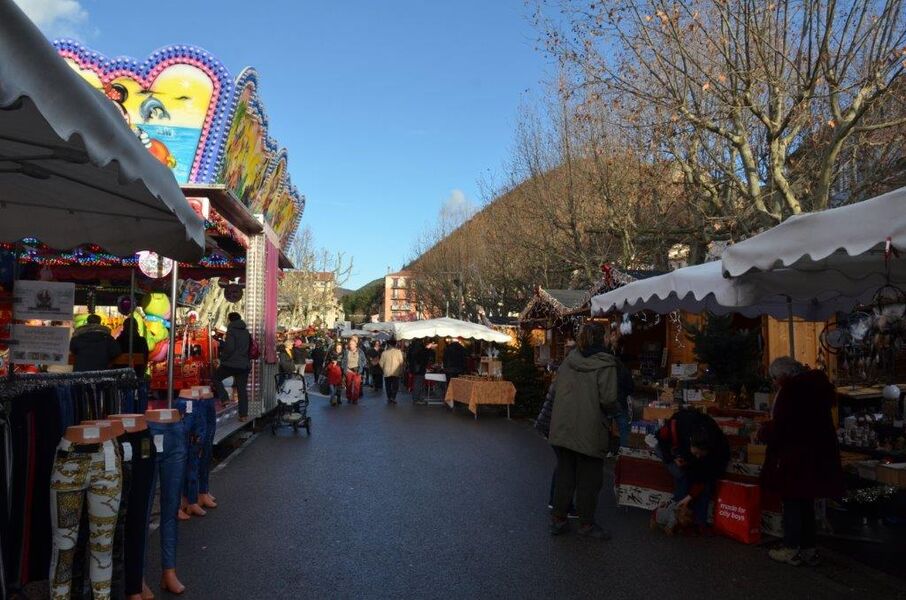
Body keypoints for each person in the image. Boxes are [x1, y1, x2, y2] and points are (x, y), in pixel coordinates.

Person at [759, 357, 843, 567]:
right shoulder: (814, 388)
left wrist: (764, 431)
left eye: (775, 377)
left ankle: (791, 547)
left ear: (783, 375)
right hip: (814, 454)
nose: (774, 381)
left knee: (793, 502)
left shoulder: (792, 392)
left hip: (795, 457)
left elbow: (785, 426)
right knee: (805, 502)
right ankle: (808, 548)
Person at [548, 322, 619, 539]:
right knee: (589, 478)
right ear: (601, 338)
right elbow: (608, 399)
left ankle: (559, 519)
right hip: (589, 429)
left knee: (565, 474)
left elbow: (556, 388)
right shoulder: (606, 364)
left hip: (563, 426)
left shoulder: (569, 361)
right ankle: (586, 524)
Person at [656, 408, 730, 531]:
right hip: (674, 450)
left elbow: (705, 476)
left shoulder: (716, 451)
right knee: (681, 476)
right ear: (691, 442)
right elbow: (661, 438)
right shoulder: (678, 425)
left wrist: (690, 496)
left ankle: (699, 523)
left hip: (711, 461)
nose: (698, 456)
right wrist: (672, 458)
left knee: (705, 485)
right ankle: (677, 515)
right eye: (696, 453)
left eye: (700, 454)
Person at [212, 312, 252, 421]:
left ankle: (224, 398)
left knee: (215, 377)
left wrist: (222, 358)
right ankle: (243, 415)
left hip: (231, 364)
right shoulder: (246, 332)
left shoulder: (231, 331)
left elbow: (229, 348)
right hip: (244, 365)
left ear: (230, 320)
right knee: (241, 390)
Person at [379, 338, 405, 404]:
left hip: (387, 372)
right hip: (396, 372)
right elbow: (401, 362)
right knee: (395, 386)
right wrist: (401, 371)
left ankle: (389, 397)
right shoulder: (398, 352)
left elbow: (381, 363)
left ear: (389, 345)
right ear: (395, 344)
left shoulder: (384, 353)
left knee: (388, 386)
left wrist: (384, 369)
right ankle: (393, 397)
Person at [341, 336, 366, 404]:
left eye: (352, 344)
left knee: (356, 386)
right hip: (349, 371)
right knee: (348, 385)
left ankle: (355, 399)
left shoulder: (360, 352)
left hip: (357, 371)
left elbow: (364, 361)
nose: (350, 345)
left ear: (355, 344)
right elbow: (343, 361)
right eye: (350, 344)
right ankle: (349, 397)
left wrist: (361, 366)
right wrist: (344, 369)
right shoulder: (346, 351)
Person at [407, 338, 430, 405]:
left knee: (417, 383)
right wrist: (427, 349)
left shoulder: (412, 347)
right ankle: (416, 399)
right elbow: (423, 358)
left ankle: (418, 398)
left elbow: (409, 358)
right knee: (418, 383)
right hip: (420, 369)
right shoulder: (421, 348)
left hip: (414, 368)